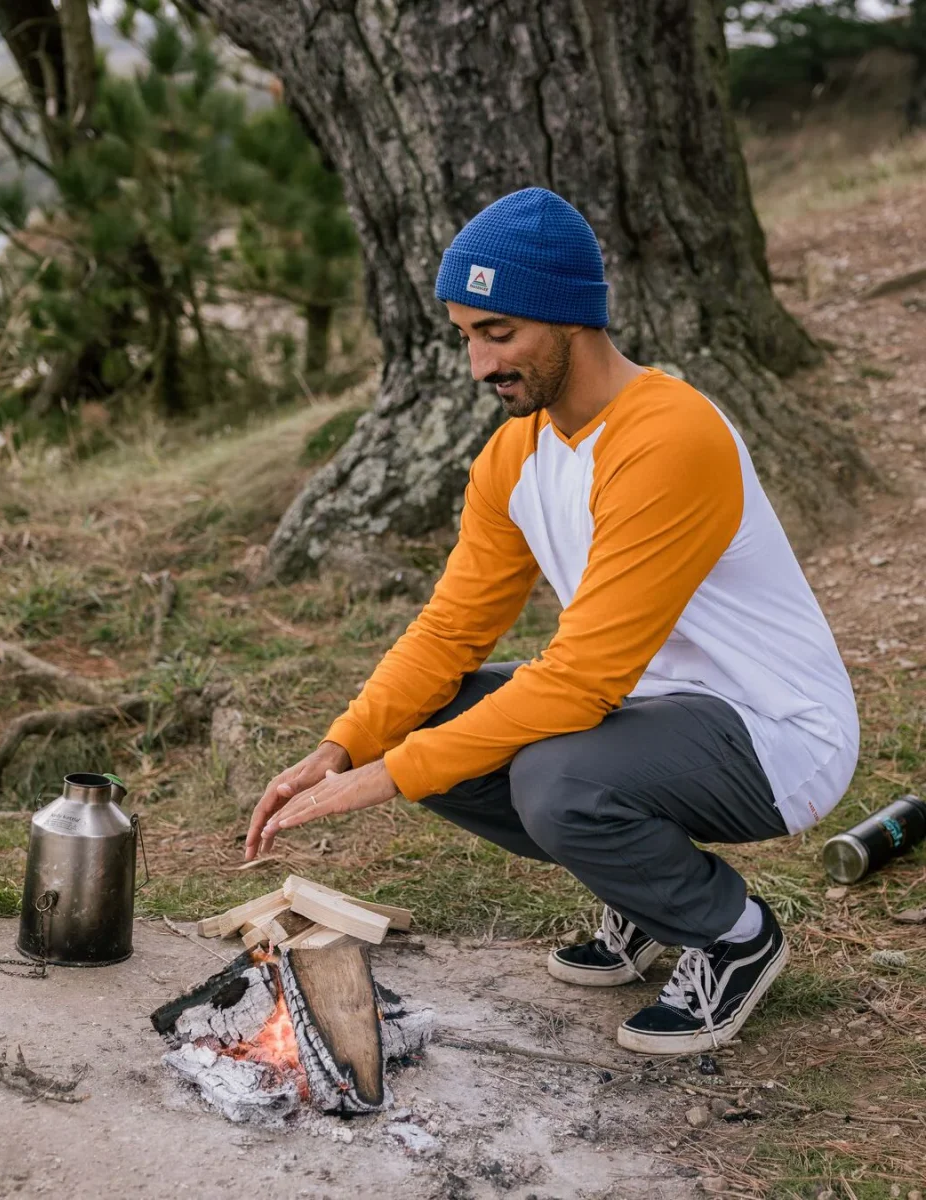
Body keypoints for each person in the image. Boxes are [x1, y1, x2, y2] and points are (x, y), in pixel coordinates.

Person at [245, 188, 859, 1053]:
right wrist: (344, 746)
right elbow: (448, 632)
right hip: (648, 718)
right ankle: (647, 899)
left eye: (499, 333)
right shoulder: (516, 455)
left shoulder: (668, 435)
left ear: (572, 316)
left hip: (774, 733)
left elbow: (579, 681)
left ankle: (731, 935)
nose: (478, 365)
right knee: (430, 718)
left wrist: (388, 779)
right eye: (465, 335)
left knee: (555, 780)